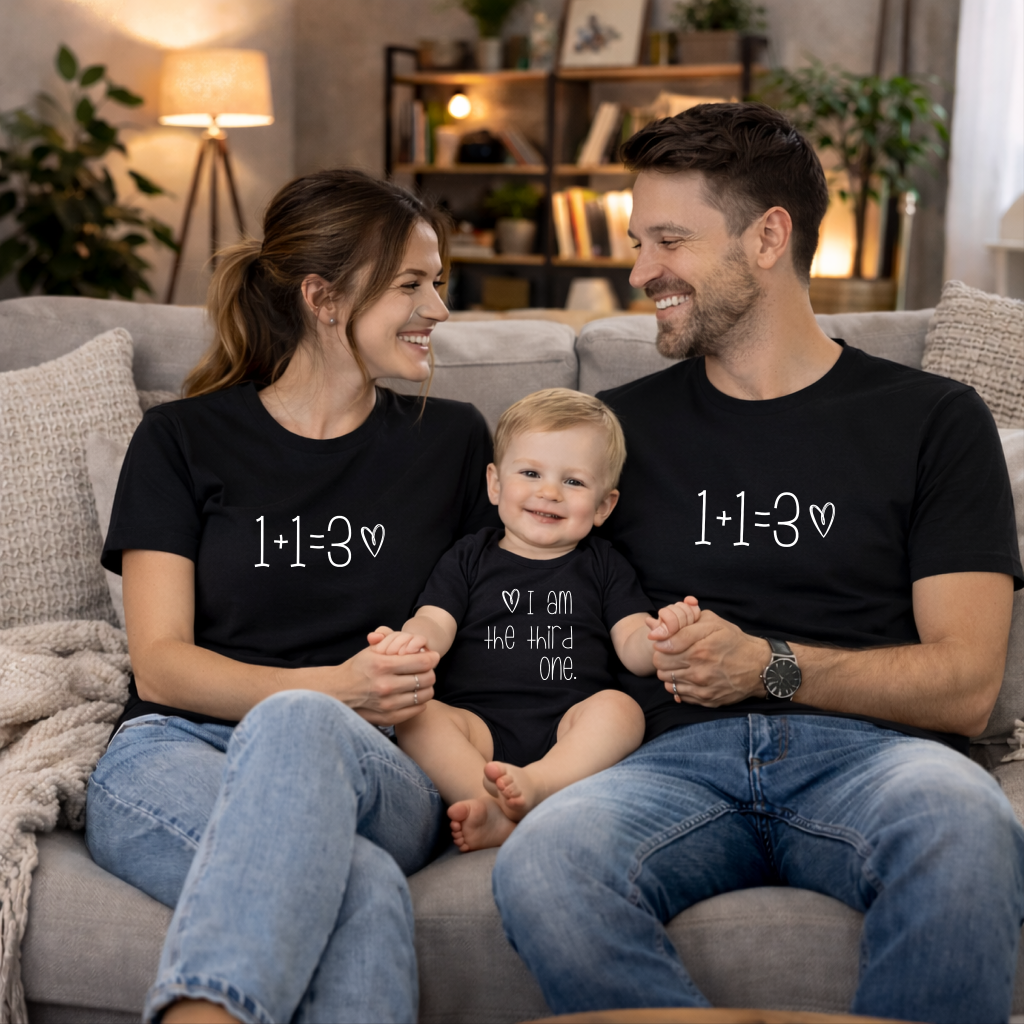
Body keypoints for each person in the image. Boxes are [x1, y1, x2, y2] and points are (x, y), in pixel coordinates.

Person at [491, 103, 1024, 1024]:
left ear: (769, 236)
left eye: (669, 240)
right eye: (638, 242)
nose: (639, 271)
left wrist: (767, 664)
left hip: (875, 757)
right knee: (544, 857)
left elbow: (969, 684)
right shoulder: (616, 435)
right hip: (666, 761)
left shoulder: (932, 420)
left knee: (965, 822)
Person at [85, 169, 498, 1024]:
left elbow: (497, 618)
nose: (438, 309)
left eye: (438, 284)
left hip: (376, 766)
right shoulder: (181, 437)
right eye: (412, 285)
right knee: (362, 883)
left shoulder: (454, 441)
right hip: (176, 750)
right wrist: (336, 687)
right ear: (323, 297)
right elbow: (159, 666)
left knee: (303, 723)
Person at [377, 389, 700, 851]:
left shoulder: (604, 564)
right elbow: (435, 619)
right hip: (476, 724)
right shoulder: (469, 556)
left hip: (569, 727)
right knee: (416, 714)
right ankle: (485, 802)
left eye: (574, 482)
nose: (549, 492)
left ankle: (541, 785)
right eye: (530, 473)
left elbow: (633, 643)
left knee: (621, 710)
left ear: (604, 506)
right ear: (494, 484)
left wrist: (664, 637)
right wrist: (412, 642)